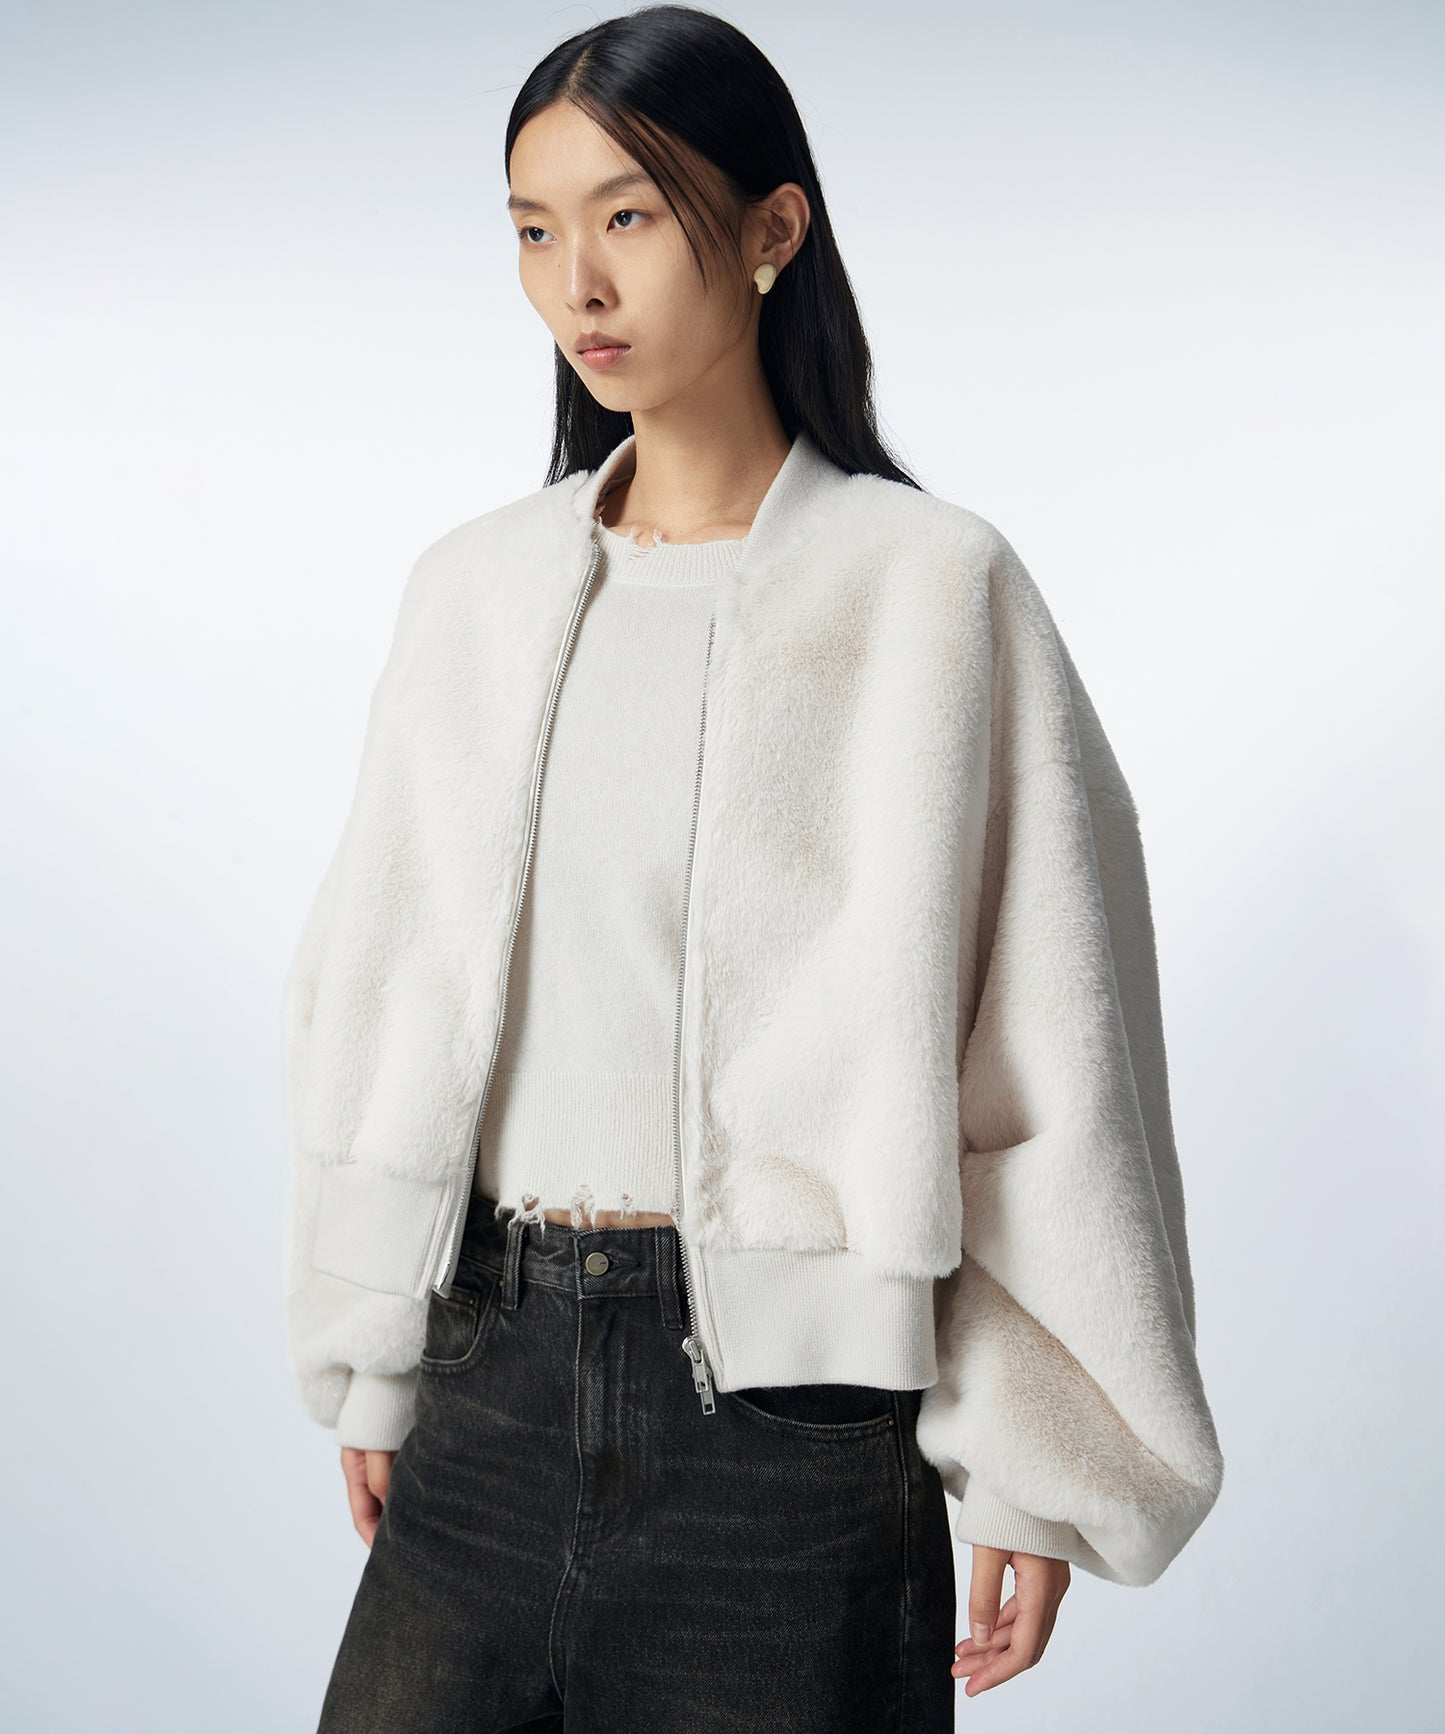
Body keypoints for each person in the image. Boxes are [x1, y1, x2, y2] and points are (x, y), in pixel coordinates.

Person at [283, 7, 1225, 1728]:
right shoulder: (472, 592)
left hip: (791, 1442)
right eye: (533, 229)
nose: (577, 283)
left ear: (773, 228)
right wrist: (370, 1341)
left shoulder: (931, 590)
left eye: (629, 216)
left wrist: (1036, 1460)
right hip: (485, 1375)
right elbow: (377, 982)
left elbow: (1049, 1048)